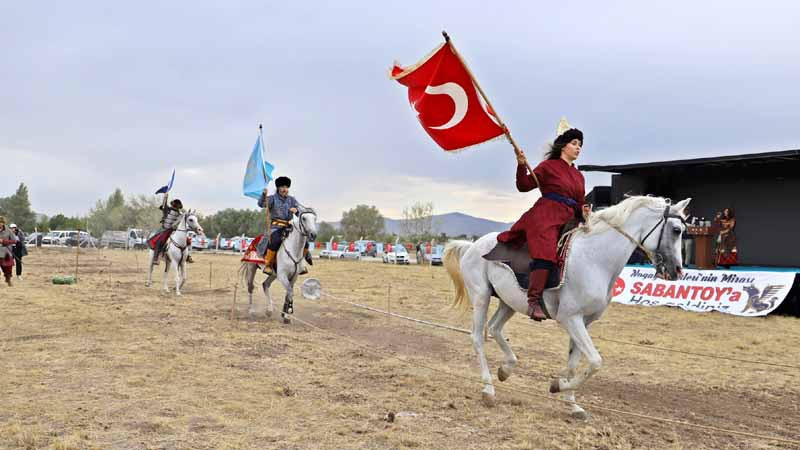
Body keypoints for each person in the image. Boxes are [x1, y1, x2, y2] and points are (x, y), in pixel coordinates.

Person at [496, 118, 590, 321]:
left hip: (570, 218)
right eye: (574, 143)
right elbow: (524, 185)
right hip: (546, 216)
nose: (578, 148)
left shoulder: (579, 176)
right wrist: (521, 166)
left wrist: (584, 211)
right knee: (546, 254)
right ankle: (534, 300)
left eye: (580, 145)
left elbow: (580, 201)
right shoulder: (548, 166)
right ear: (563, 146)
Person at [257, 176, 313, 275]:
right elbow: (261, 204)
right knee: (275, 241)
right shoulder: (272, 199)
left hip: (289, 227)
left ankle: (301, 264)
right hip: (275, 227)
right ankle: (268, 265)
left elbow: (300, 213)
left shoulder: (292, 200)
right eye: (282, 187)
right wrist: (263, 195)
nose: (285, 189)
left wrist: (296, 211)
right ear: (278, 188)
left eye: (286, 187)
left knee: (305, 241)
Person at [149, 199, 184, 265]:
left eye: (177, 205)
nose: (176, 206)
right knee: (159, 241)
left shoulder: (180, 214)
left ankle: (187, 256)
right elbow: (164, 204)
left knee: (185, 240)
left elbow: (180, 222)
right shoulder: (167, 209)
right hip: (164, 229)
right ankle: (156, 258)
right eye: (176, 205)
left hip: (173, 230)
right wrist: (165, 197)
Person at [0, 216, 18, 286]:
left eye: (1, 222)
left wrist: (4, 241)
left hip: (6, 252)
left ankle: (8, 279)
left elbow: (14, 241)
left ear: (3, 223)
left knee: (8, 269)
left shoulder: (8, 230)